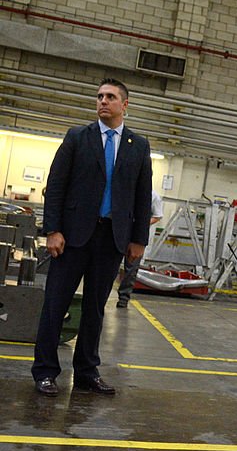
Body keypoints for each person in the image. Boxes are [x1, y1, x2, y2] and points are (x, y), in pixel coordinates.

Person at [32, 78, 153, 397]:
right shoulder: (77, 137)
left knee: (96, 309)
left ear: (124, 105)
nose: (102, 101)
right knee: (55, 304)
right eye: (99, 96)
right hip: (72, 236)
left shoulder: (138, 146)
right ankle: (45, 371)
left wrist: (139, 238)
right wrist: (53, 229)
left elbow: (143, 196)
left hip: (111, 238)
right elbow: (55, 185)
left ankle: (86, 371)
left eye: (110, 97)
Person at [116, 190, 163, 308]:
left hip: (137, 237)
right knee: (112, 264)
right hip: (120, 234)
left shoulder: (153, 196)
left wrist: (140, 224)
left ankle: (124, 297)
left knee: (131, 268)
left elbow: (157, 216)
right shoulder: (126, 191)